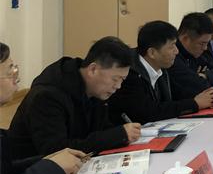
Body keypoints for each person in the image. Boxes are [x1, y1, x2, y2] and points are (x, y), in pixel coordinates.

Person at [7, 37, 141, 160]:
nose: (118, 86)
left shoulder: (96, 90)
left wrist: (120, 135)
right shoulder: (47, 96)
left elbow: (100, 130)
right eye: (115, 79)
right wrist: (117, 136)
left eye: (122, 80)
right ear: (93, 69)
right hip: (30, 169)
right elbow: (57, 151)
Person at [0, 43, 87, 174]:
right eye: (10, 72)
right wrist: (52, 168)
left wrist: (48, 161)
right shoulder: (48, 94)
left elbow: (5, 171)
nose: (16, 79)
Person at [108, 21, 213, 125]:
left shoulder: (161, 66)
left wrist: (208, 98)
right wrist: (195, 103)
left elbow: (176, 95)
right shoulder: (130, 73)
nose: (177, 51)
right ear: (152, 53)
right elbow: (148, 112)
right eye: (171, 46)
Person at [168, 12, 213, 100]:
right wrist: (198, 78)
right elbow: (199, 86)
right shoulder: (172, 57)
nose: (205, 48)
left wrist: (205, 75)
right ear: (185, 38)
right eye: (202, 43)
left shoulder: (195, 51)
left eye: (207, 43)